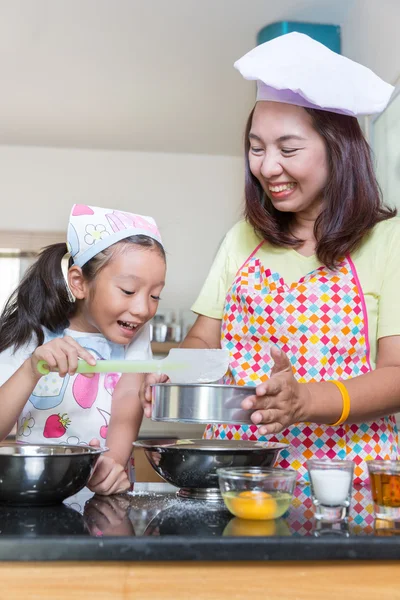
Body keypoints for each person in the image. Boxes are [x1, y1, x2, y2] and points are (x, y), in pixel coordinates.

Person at [141, 32, 400, 485]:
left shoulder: (387, 242)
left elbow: (396, 374)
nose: (267, 167)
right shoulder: (242, 239)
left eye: (288, 149)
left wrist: (304, 402)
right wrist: (173, 372)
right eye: (257, 148)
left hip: (346, 479)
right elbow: (205, 341)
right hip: (235, 472)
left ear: (339, 150)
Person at [0, 204, 165, 495]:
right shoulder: (32, 331)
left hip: (106, 495)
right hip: (36, 492)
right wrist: (30, 370)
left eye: (155, 295)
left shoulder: (136, 338)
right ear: (79, 283)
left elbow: (128, 400)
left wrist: (112, 465)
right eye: (128, 291)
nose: (142, 309)